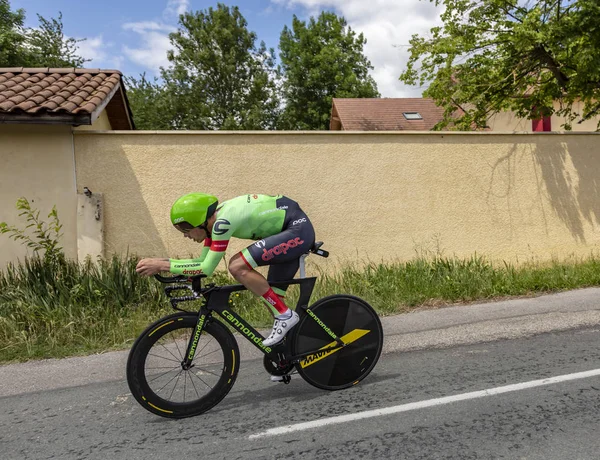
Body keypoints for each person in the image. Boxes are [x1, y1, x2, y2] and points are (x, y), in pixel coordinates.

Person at [135, 193, 316, 346]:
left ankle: (285, 315)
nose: (185, 235)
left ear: (200, 222)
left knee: (237, 266)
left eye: (186, 229)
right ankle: (288, 353)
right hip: (286, 231)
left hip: (297, 230)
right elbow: (201, 262)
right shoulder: (212, 224)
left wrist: (161, 265)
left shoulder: (222, 223)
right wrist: (163, 262)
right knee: (272, 298)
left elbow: (206, 268)